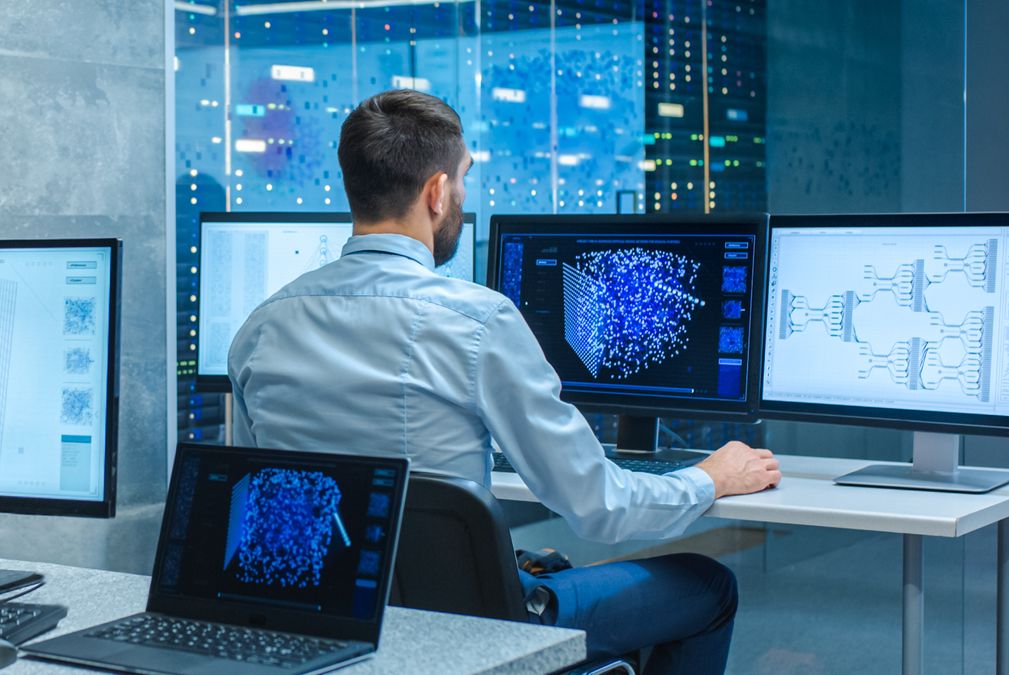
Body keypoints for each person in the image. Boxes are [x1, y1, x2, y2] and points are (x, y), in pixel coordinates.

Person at [228, 89, 782, 674]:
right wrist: (708, 478)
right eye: (463, 180)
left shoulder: (260, 327)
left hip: (328, 626)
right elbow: (601, 508)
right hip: (468, 632)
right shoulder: (476, 322)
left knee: (547, 562)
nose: (462, 197)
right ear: (437, 192)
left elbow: (251, 501)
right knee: (706, 585)